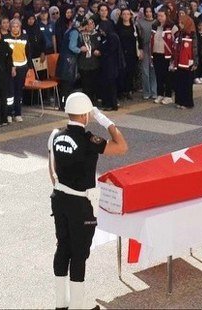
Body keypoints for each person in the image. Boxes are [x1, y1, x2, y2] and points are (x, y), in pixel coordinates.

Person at [48, 92, 128, 310]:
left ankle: (61, 304)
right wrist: (105, 120)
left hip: (59, 197)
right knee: (79, 253)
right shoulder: (88, 140)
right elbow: (121, 146)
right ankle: (77, 307)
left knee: (62, 247)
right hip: (80, 204)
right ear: (85, 114)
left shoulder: (55, 135)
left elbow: (51, 170)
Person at [5, 19, 30, 122]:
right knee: (10, 92)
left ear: (20, 27)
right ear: (10, 28)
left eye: (17, 26)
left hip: (22, 68)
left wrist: (29, 68)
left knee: (18, 91)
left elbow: (28, 52)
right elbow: (6, 56)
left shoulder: (25, 37)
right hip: (10, 68)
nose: (15, 28)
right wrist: (11, 66)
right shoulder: (5, 38)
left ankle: (18, 113)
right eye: (13, 26)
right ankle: (9, 113)